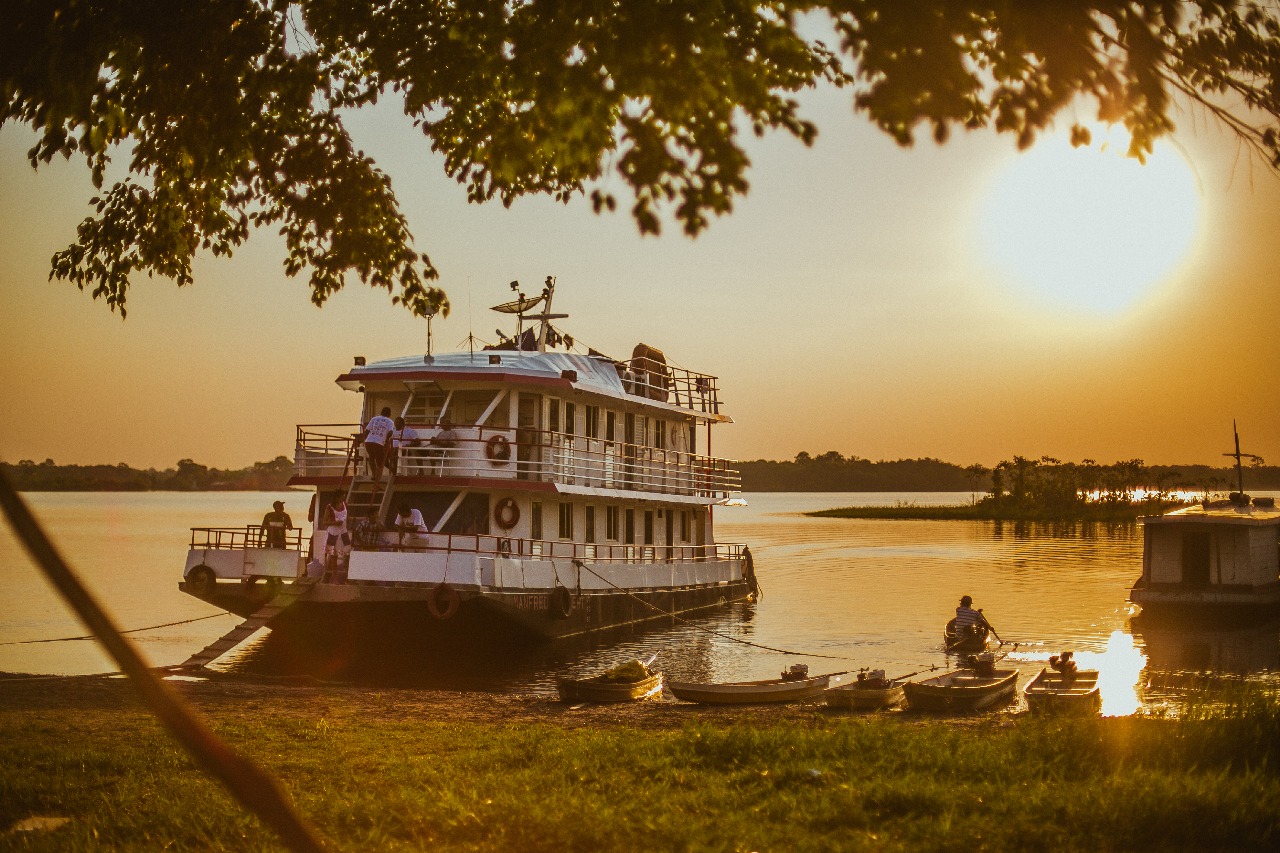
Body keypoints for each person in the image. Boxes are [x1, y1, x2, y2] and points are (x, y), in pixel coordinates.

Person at [362, 406, 396, 483]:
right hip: (379, 442)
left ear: (381, 412)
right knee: (380, 461)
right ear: (389, 414)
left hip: (369, 441)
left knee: (371, 457)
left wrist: (364, 439)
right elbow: (390, 432)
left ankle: (374, 475)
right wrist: (386, 440)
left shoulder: (374, 419)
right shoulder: (390, 421)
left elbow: (367, 431)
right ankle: (380, 475)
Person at [322, 496, 350, 571]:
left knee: (347, 552)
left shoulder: (345, 505)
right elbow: (324, 522)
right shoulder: (330, 507)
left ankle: (347, 572)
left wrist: (347, 523)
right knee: (334, 555)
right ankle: (334, 575)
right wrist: (335, 523)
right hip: (333, 533)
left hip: (343, 532)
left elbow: (347, 517)